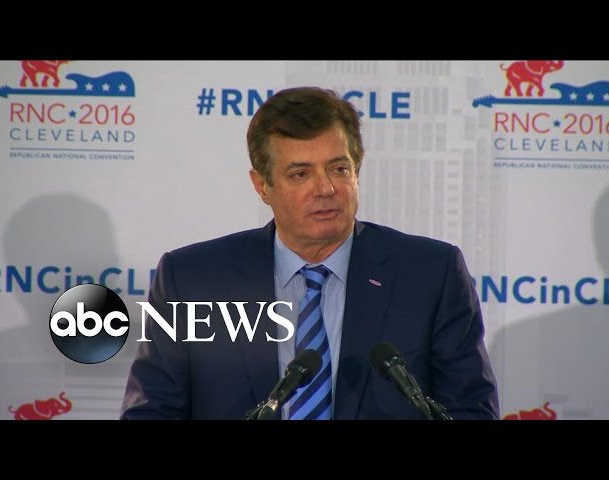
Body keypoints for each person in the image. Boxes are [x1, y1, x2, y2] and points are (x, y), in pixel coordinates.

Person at [120, 86, 499, 420]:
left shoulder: (430, 275)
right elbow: (153, 411)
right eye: (300, 174)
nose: (326, 189)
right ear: (262, 186)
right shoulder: (193, 281)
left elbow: (469, 410)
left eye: (339, 168)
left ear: (356, 171)